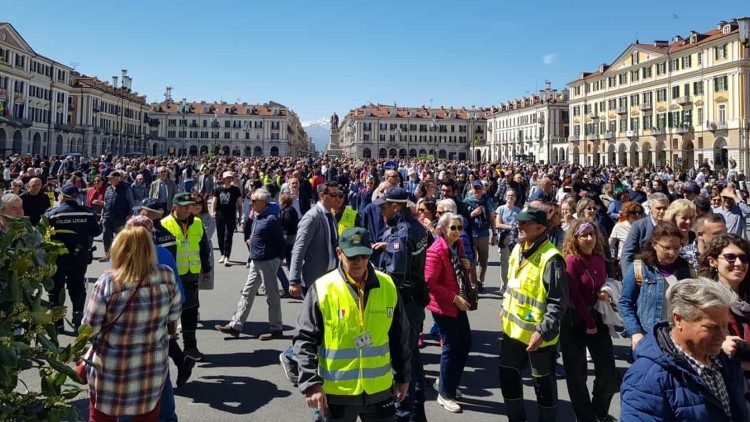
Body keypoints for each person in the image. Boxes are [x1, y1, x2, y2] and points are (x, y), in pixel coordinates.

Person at [293, 227, 411, 422]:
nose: (359, 262)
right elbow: (304, 339)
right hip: (336, 393)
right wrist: (311, 384)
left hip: (379, 390)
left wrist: (403, 377)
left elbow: (400, 336)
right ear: (340, 253)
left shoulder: (387, 285)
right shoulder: (323, 288)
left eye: (364, 256)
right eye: (352, 257)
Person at [82, 226, 182, 422]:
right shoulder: (166, 275)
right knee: (147, 415)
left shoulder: (109, 281)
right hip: (151, 364)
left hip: (111, 367)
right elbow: (174, 315)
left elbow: (89, 328)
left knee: (101, 416)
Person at [620, 279, 749, 421]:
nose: (723, 335)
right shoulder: (646, 378)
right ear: (678, 320)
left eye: (725, 326)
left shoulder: (723, 357)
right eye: (711, 327)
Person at [498, 206, 568, 422]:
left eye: (524, 223)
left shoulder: (551, 259)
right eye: (518, 222)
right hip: (513, 332)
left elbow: (558, 302)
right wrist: (505, 304)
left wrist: (542, 331)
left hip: (539, 337)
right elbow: (514, 283)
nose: (518, 226)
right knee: (507, 376)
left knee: (543, 386)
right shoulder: (519, 248)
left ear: (540, 228)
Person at [373, 187, 430, 421]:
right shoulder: (417, 227)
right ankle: (417, 409)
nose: (381, 211)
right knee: (412, 356)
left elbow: (396, 274)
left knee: (404, 356)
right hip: (416, 298)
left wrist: (376, 274)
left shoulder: (403, 232)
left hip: (405, 301)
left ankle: (405, 411)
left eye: (384, 206)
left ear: (395, 207)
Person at [280, 181, 343, 385]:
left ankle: (307, 360)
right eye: (333, 195)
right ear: (322, 195)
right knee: (313, 325)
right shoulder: (312, 217)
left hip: (328, 278)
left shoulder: (329, 215)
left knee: (323, 325)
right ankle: (291, 355)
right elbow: (298, 249)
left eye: (339, 194)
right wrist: (294, 279)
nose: (337, 198)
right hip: (313, 280)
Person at [561, 219, 619, 422]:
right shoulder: (570, 261)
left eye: (592, 234)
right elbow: (574, 296)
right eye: (584, 235)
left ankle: (598, 411)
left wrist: (606, 292)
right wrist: (589, 324)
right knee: (577, 376)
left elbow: (606, 282)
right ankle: (585, 417)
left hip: (597, 317)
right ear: (575, 239)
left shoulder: (600, 258)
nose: (589, 238)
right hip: (574, 320)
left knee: (608, 374)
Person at [215, 189, 286, 339]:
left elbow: (280, 241)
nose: (251, 203)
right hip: (256, 260)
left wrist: (280, 258)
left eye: (254, 201)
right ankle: (236, 325)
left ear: (263, 202)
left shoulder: (271, 219)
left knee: (271, 295)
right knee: (247, 292)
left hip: (267, 261)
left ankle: (276, 328)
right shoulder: (258, 217)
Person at [424, 212, 473, 413]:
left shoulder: (457, 246)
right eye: (453, 228)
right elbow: (430, 282)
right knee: (452, 347)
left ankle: (447, 383)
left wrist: (466, 266)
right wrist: (454, 298)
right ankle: (445, 393)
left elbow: (458, 274)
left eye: (460, 228)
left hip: (458, 303)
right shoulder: (436, 250)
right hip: (444, 306)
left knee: (465, 343)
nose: (457, 232)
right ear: (443, 229)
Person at [619, 221, 692, 351]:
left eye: (677, 247)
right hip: (648, 338)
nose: (672, 253)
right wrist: (635, 332)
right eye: (667, 248)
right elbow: (625, 303)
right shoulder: (639, 267)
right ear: (654, 245)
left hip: (678, 338)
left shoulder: (685, 270)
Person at [160, 192, 212, 361]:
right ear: (174, 206)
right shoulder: (164, 224)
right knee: (169, 313)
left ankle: (190, 347)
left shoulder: (197, 222)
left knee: (190, 311)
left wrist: (207, 268)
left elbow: (204, 247)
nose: (188, 209)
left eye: (190, 205)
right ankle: (167, 348)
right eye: (184, 206)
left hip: (191, 273)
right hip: (172, 276)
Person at [45, 183, 102, 332]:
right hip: (79, 256)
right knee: (77, 286)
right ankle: (77, 316)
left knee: (55, 288)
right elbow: (97, 232)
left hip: (57, 257)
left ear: (63, 196)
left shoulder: (53, 214)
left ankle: (57, 323)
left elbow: (43, 234)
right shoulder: (87, 213)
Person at [619, 192, 669, 274]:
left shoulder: (671, 226)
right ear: (650, 208)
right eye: (658, 208)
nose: (662, 211)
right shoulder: (639, 226)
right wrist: (628, 277)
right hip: (644, 271)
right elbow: (627, 253)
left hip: (666, 271)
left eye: (665, 208)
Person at [463, 180, 496, 293]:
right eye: (475, 188)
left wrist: (494, 234)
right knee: (472, 261)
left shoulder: (487, 201)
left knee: (483, 261)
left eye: (479, 188)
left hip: (484, 235)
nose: (477, 191)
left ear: (483, 189)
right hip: (470, 235)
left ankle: (479, 281)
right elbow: (461, 219)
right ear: (472, 189)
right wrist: (472, 214)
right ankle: (473, 284)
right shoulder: (466, 202)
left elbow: (492, 218)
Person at [99, 171, 133, 262]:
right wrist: (102, 215)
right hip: (107, 216)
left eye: (111, 178)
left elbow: (130, 202)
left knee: (121, 237)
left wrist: (130, 214)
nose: (109, 179)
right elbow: (105, 203)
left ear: (117, 178)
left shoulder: (125, 188)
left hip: (121, 217)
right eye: (109, 178)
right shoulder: (109, 189)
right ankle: (107, 254)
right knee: (106, 236)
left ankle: (121, 255)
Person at [213, 171, 243, 266]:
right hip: (220, 215)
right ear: (223, 179)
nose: (229, 179)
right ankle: (222, 254)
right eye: (227, 178)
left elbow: (239, 204)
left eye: (230, 178)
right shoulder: (217, 190)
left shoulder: (236, 190)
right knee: (220, 236)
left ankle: (227, 256)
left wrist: (240, 216)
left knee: (228, 236)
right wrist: (213, 212)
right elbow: (214, 201)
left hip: (231, 216)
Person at [495, 189, 520, 289]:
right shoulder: (500, 209)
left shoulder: (518, 210)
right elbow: (498, 224)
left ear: (515, 198)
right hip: (504, 239)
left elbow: (519, 225)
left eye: (512, 195)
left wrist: (512, 227)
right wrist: (511, 227)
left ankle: (512, 286)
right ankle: (504, 286)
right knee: (505, 265)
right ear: (505, 197)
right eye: (508, 195)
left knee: (515, 264)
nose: (510, 197)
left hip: (515, 240)